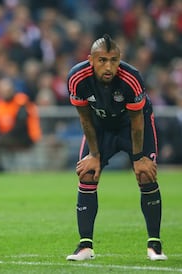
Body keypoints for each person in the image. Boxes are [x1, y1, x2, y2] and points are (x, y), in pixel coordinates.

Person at [66, 34, 167, 261]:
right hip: (100, 127)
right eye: (102, 60)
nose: (109, 66)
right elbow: (84, 118)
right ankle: (85, 246)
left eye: (114, 60)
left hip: (131, 126)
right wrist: (94, 154)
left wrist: (139, 157)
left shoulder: (131, 78)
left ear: (120, 60)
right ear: (91, 60)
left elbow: (138, 122)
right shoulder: (77, 78)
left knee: (145, 175)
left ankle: (154, 244)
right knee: (88, 173)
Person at [0, 76, 42, 172]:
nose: (5, 93)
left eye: (7, 90)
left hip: (24, 137)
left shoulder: (21, 102)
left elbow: (21, 126)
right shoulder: (0, 105)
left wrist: (0, 137)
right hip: (6, 136)